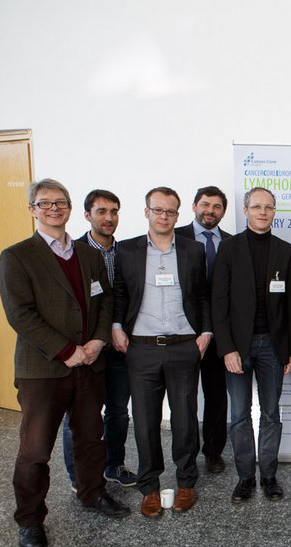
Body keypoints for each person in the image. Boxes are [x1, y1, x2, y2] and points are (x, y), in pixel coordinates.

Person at [0, 178, 130, 547]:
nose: (54, 208)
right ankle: (30, 520)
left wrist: (98, 340)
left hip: (89, 363)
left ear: (71, 209)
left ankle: (92, 492)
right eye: (45, 203)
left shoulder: (88, 255)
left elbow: (105, 302)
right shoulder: (17, 256)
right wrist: (65, 350)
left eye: (60, 202)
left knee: (90, 437)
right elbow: (20, 314)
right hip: (44, 370)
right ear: (32, 210)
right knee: (36, 449)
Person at [112, 187, 211, 518]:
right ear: (147, 212)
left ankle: (186, 483)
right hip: (142, 348)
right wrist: (116, 326)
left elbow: (202, 295)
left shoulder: (193, 250)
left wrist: (206, 333)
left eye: (170, 211)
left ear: (178, 215)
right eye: (158, 210)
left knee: (185, 421)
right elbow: (120, 293)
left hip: (183, 346)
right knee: (144, 422)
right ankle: (149, 488)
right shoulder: (127, 250)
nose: (164, 216)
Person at [212, 187, 291, 503]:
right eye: (257, 206)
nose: (263, 212)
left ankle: (269, 476)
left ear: (275, 212)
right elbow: (218, 302)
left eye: (269, 207)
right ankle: (245, 477)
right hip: (237, 346)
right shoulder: (229, 248)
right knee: (239, 414)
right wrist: (226, 348)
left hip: (272, 347)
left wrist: (290, 349)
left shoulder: (286, 252)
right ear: (246, 210)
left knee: (271, 413)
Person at [60, 190, 137, 490]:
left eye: (114, 211)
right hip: (86, 348)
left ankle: (113, 465)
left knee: (118, 411)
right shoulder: (73, 252)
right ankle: (78, 476)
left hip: (121, 345)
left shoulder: (127, 252)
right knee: (79, 416)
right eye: (101, 211)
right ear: (86, 215)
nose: (109, 217)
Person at [175, 186, 232, 474]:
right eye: (205, 204)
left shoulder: (232, 243)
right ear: (194, 206)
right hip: (183, 330)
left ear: (224, 211)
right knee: (183, 397)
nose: (210, 210)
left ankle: (213, 451)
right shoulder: (176, 237)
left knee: (216, 395)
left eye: (217, 206)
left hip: (220, 331)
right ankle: (186, 455)